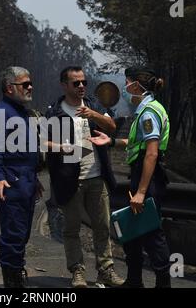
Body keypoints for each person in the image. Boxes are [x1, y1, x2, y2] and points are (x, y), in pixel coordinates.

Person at [88, 66, 172, 288]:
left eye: (126, 83)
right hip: (142, 176)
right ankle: (134, 281)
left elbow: (151, 153)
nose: (124, 88)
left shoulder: (149, 113)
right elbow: (137, 143)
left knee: (152, 234)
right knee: (133, 233)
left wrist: (141, 192)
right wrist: (112, 141)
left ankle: (163, 283)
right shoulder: (144, 110)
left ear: (136, 85)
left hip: (148, 179)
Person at [44, 66, 124, 288]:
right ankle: (77, 271)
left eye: (83, 82)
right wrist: (60, 147)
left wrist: (94, 114)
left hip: (97, 176)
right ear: (64, 85)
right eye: (75, 83)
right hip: (69, 179)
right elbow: (42, 141)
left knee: (102, 226)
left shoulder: (93, 104)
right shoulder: (54, 112)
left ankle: (106, 271)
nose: (81, 86)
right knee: (71, 229)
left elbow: (112, 126)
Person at [0, 66, 44, 288]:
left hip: (25, 181)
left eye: (30, 83)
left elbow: (25, 150)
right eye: (24, 84)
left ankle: (16, 273)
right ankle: (12, 283)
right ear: (10, 88)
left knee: (22, 234)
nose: (30, 87)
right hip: (11, 182)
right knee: (13, 235)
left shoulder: (21, 112)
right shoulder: (1, 113)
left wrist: (34, 178)